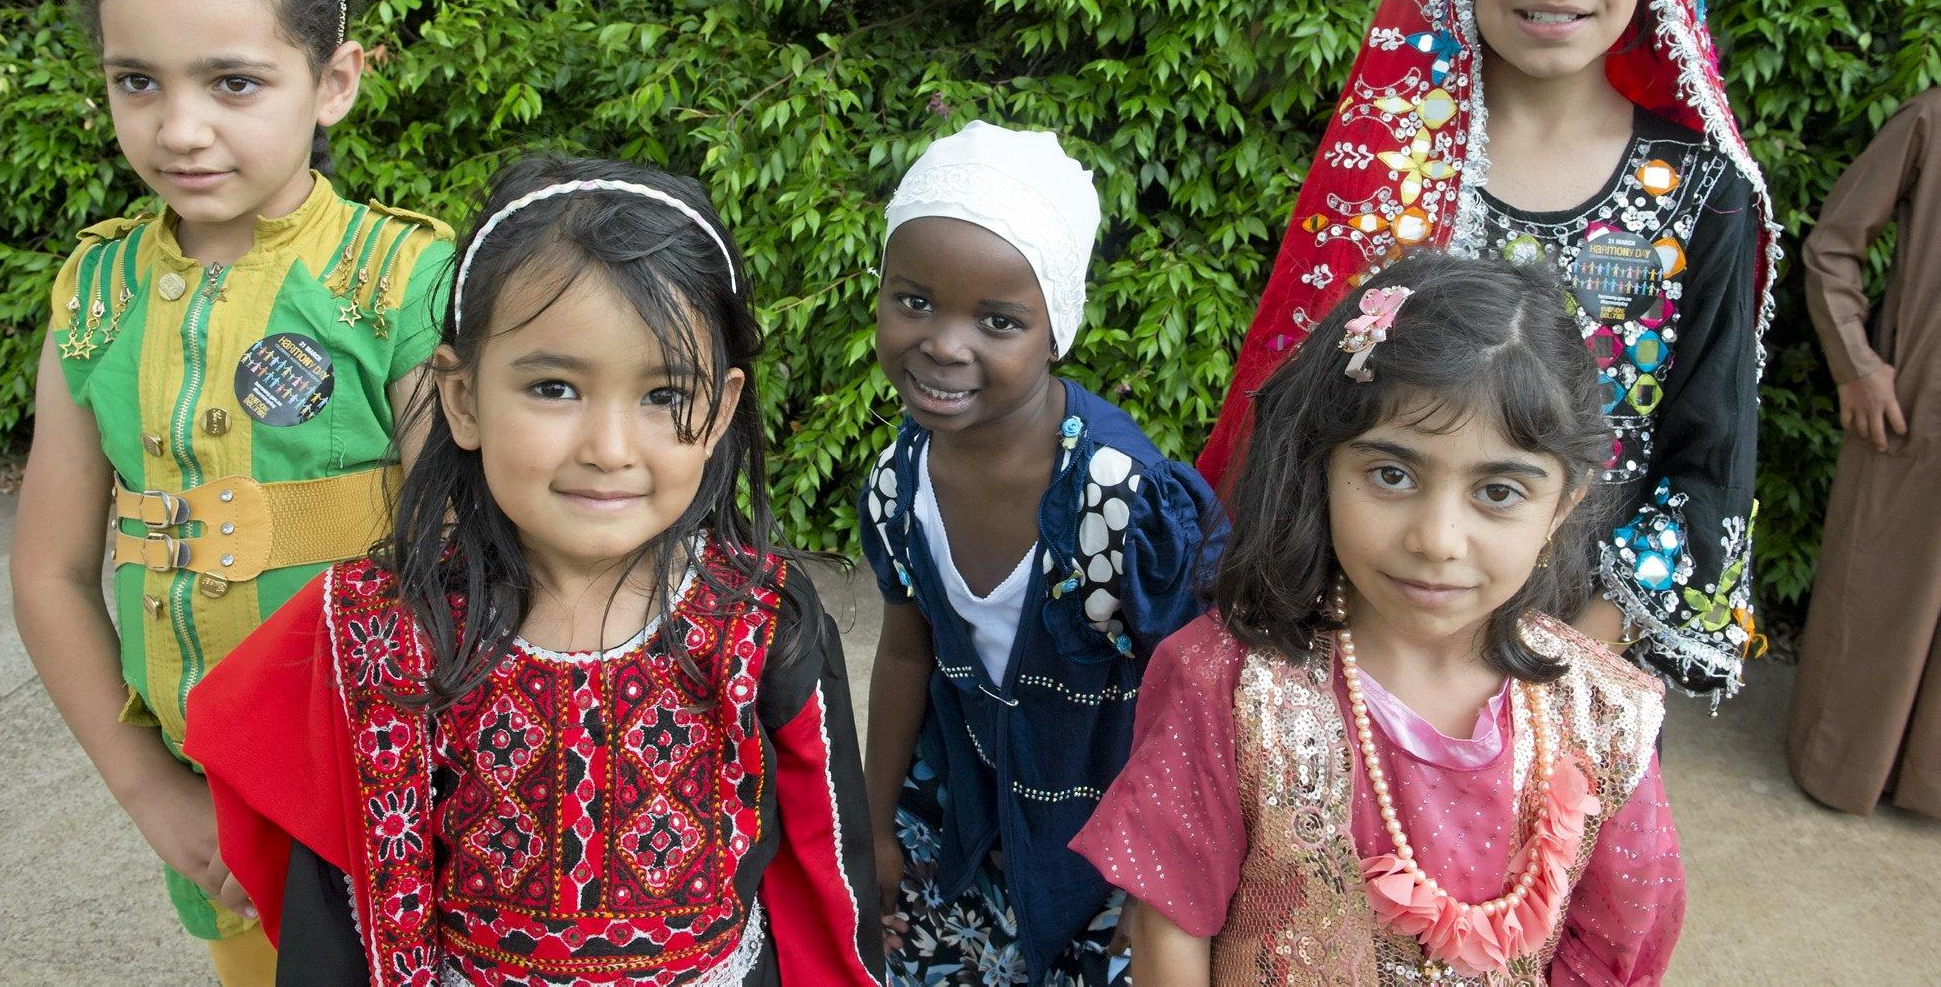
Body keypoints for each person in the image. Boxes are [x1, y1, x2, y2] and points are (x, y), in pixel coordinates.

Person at [185, 154, 885, 985]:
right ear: (464, 398)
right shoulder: (385, 628)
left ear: (723, 407)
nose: (609, 449)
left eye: (665, 395)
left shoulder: (761, 621)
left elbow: (827, 875)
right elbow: (335, 903)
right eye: (554, 387)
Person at [1195, 0, 1777, 703]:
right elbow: (1301, 418)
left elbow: (1706, 462)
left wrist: (1561, 672)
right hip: (1353, 641)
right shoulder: (1391, 163)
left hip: (1572, 661)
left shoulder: (1705, 191)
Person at [7, 0, 453, 984]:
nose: (180, 129)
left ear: (335, 81)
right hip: (215, 821)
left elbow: (468, 562)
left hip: (410, 794)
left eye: (234, 83)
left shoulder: (400, 282)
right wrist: (153, 796)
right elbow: (50, 574)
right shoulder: (94, 300)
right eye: (136, 82)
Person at [1075, 252, 1684, 984]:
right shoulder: (1226, 689)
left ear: (1563, 505)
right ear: (1322, 467)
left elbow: (1615, 945)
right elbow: (1172, 928)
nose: (1436, 539)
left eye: (1498, 491)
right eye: (1392, 475)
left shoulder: (1608, 720)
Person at [860, 120, 1226, 985]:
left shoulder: (1121, 500)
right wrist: (873, 826)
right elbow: (907, 647)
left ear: (1055, 328)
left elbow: (1196, 701)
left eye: (998, 320)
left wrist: (1164, 884)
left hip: (1111, 827)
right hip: (961, 800)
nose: (946, 344)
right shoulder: (898, 481)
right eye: (913, 301)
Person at [1789, 88, 1941, 818]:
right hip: (1916, 407)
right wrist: (1856, 363)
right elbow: (1834, 244)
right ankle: (1844, 767)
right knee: (1882, 596)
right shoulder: (1932, 118)